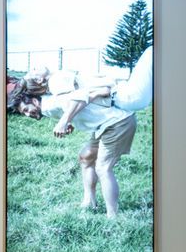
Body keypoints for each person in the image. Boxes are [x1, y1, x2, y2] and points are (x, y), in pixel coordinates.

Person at [49, 47, 152, 218]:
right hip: (117, 111)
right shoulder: (80, 90)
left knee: (103, 168)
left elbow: (104, 89)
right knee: (86, 156)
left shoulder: (84, 85)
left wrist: (66, 119)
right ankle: (90, 201)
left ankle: (113, 216)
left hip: (129, 99)